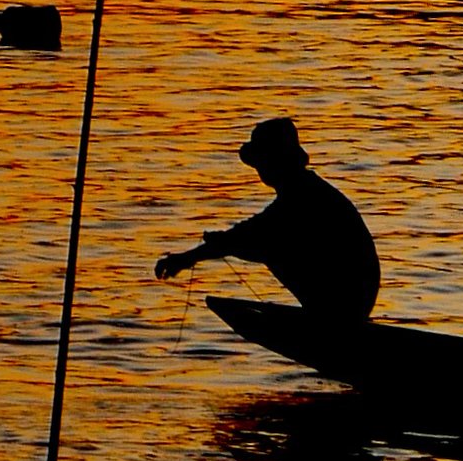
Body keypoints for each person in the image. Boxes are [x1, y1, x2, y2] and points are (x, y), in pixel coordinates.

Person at [153, 117, 380, 324]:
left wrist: (190, 257)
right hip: (352, 300)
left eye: (263, 161)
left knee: (267, 245)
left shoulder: (304, 197)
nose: (259, 169)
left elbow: (257, 234)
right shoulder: (304, 192)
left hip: (346, 302)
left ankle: (325, 318)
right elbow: (253, 232)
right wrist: (218, 245)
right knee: (258, 243)